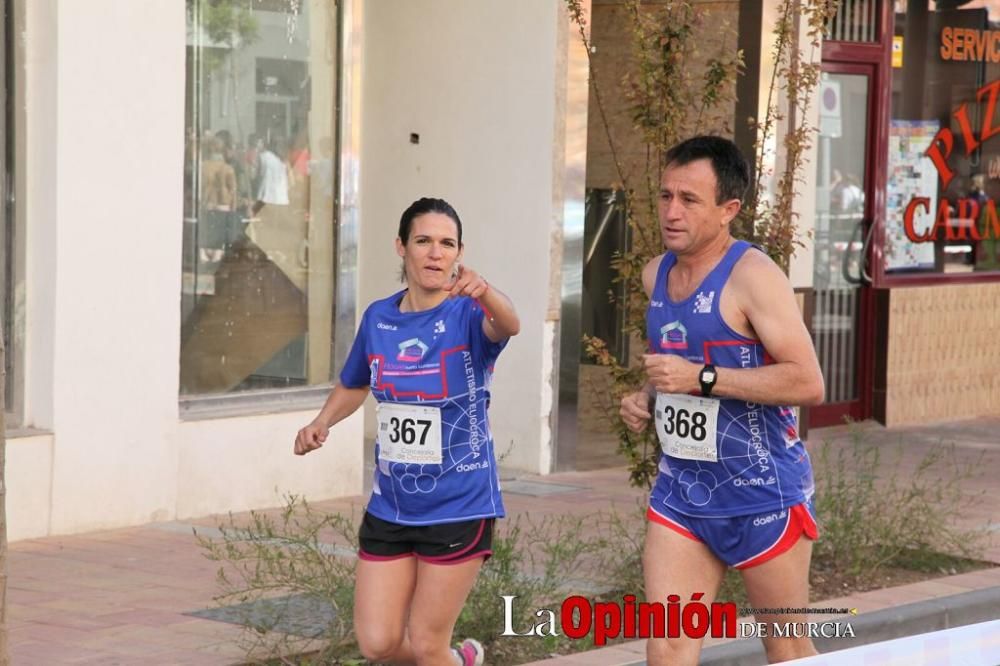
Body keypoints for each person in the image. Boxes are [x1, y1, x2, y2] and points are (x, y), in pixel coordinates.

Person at [619, 136, 825, 665]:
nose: (671, 211)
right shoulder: (654, 274)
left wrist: (702, 379)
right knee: (667, 646)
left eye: (689, 200)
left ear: (728, 209)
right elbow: (674, 364)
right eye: (665, 196)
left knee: (786, 647)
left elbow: (807, 383)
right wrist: (646, 396)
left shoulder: (754, 277)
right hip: (683, 494)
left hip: (764, 495)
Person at [294, 197, 520, 666]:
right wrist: (322, 422)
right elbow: (355, 382)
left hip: (459, 503)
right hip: (393, 504)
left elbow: (510, 323)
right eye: (423, 241)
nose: (436, 253)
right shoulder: (378, 318)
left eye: (446, 243)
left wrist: (486, 292)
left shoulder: (469, 315)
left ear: (459, 252)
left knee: (425, 643)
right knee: (378, 644)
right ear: (402, 247)